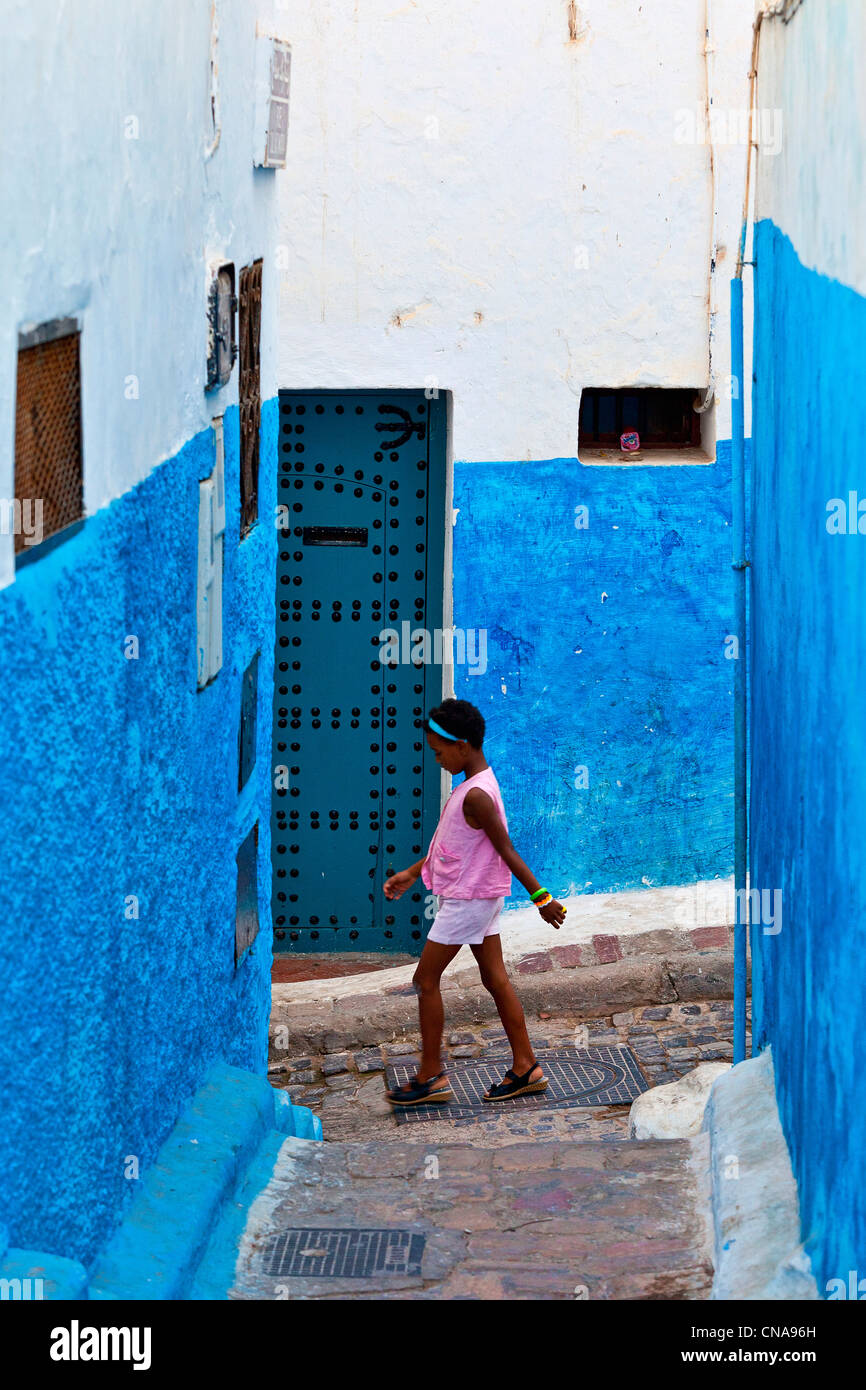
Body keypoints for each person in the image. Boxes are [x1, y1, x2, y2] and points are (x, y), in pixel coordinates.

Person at [382, 698, 566, 1107]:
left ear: (462, 746)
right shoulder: (472, 787)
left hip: (468, 901)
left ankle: (431, 1076)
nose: (437, 759)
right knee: (495, 978)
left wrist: (542, 898)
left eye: (439, 751)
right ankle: (526, 1067)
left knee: (425, 981)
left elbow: (507, 849)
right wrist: (414, 873)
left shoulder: (476, 795)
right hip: (479, 898)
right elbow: (453, 846)